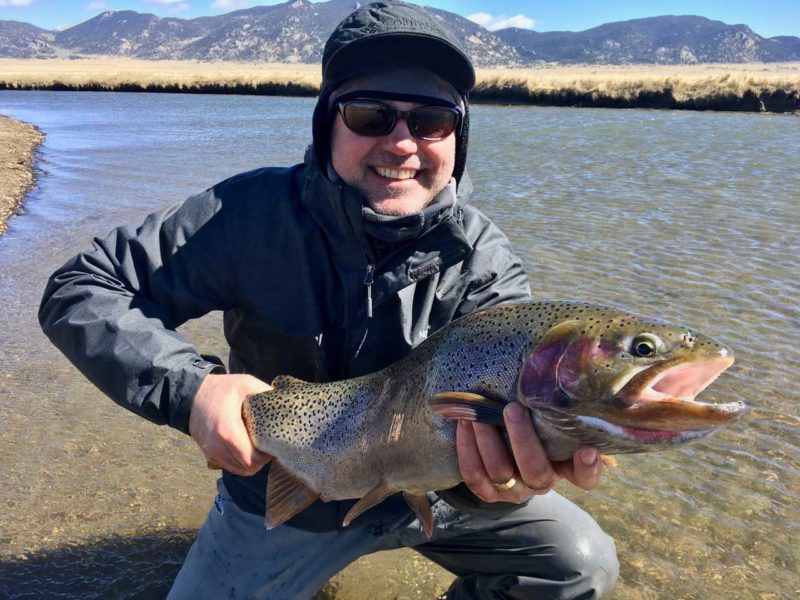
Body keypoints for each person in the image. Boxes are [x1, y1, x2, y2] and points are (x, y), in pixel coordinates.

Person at [39, 1, 619, 598]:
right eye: (370, 116)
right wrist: (193, 393)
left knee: (581, 566)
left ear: (457, 137)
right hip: (286, 485)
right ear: (327, 125)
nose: (401, 144)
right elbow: (83, 288)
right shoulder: (247, 217)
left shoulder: (483, 259)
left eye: (430, 121)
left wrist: (503, 481)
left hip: (434, 495)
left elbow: (497, 427)